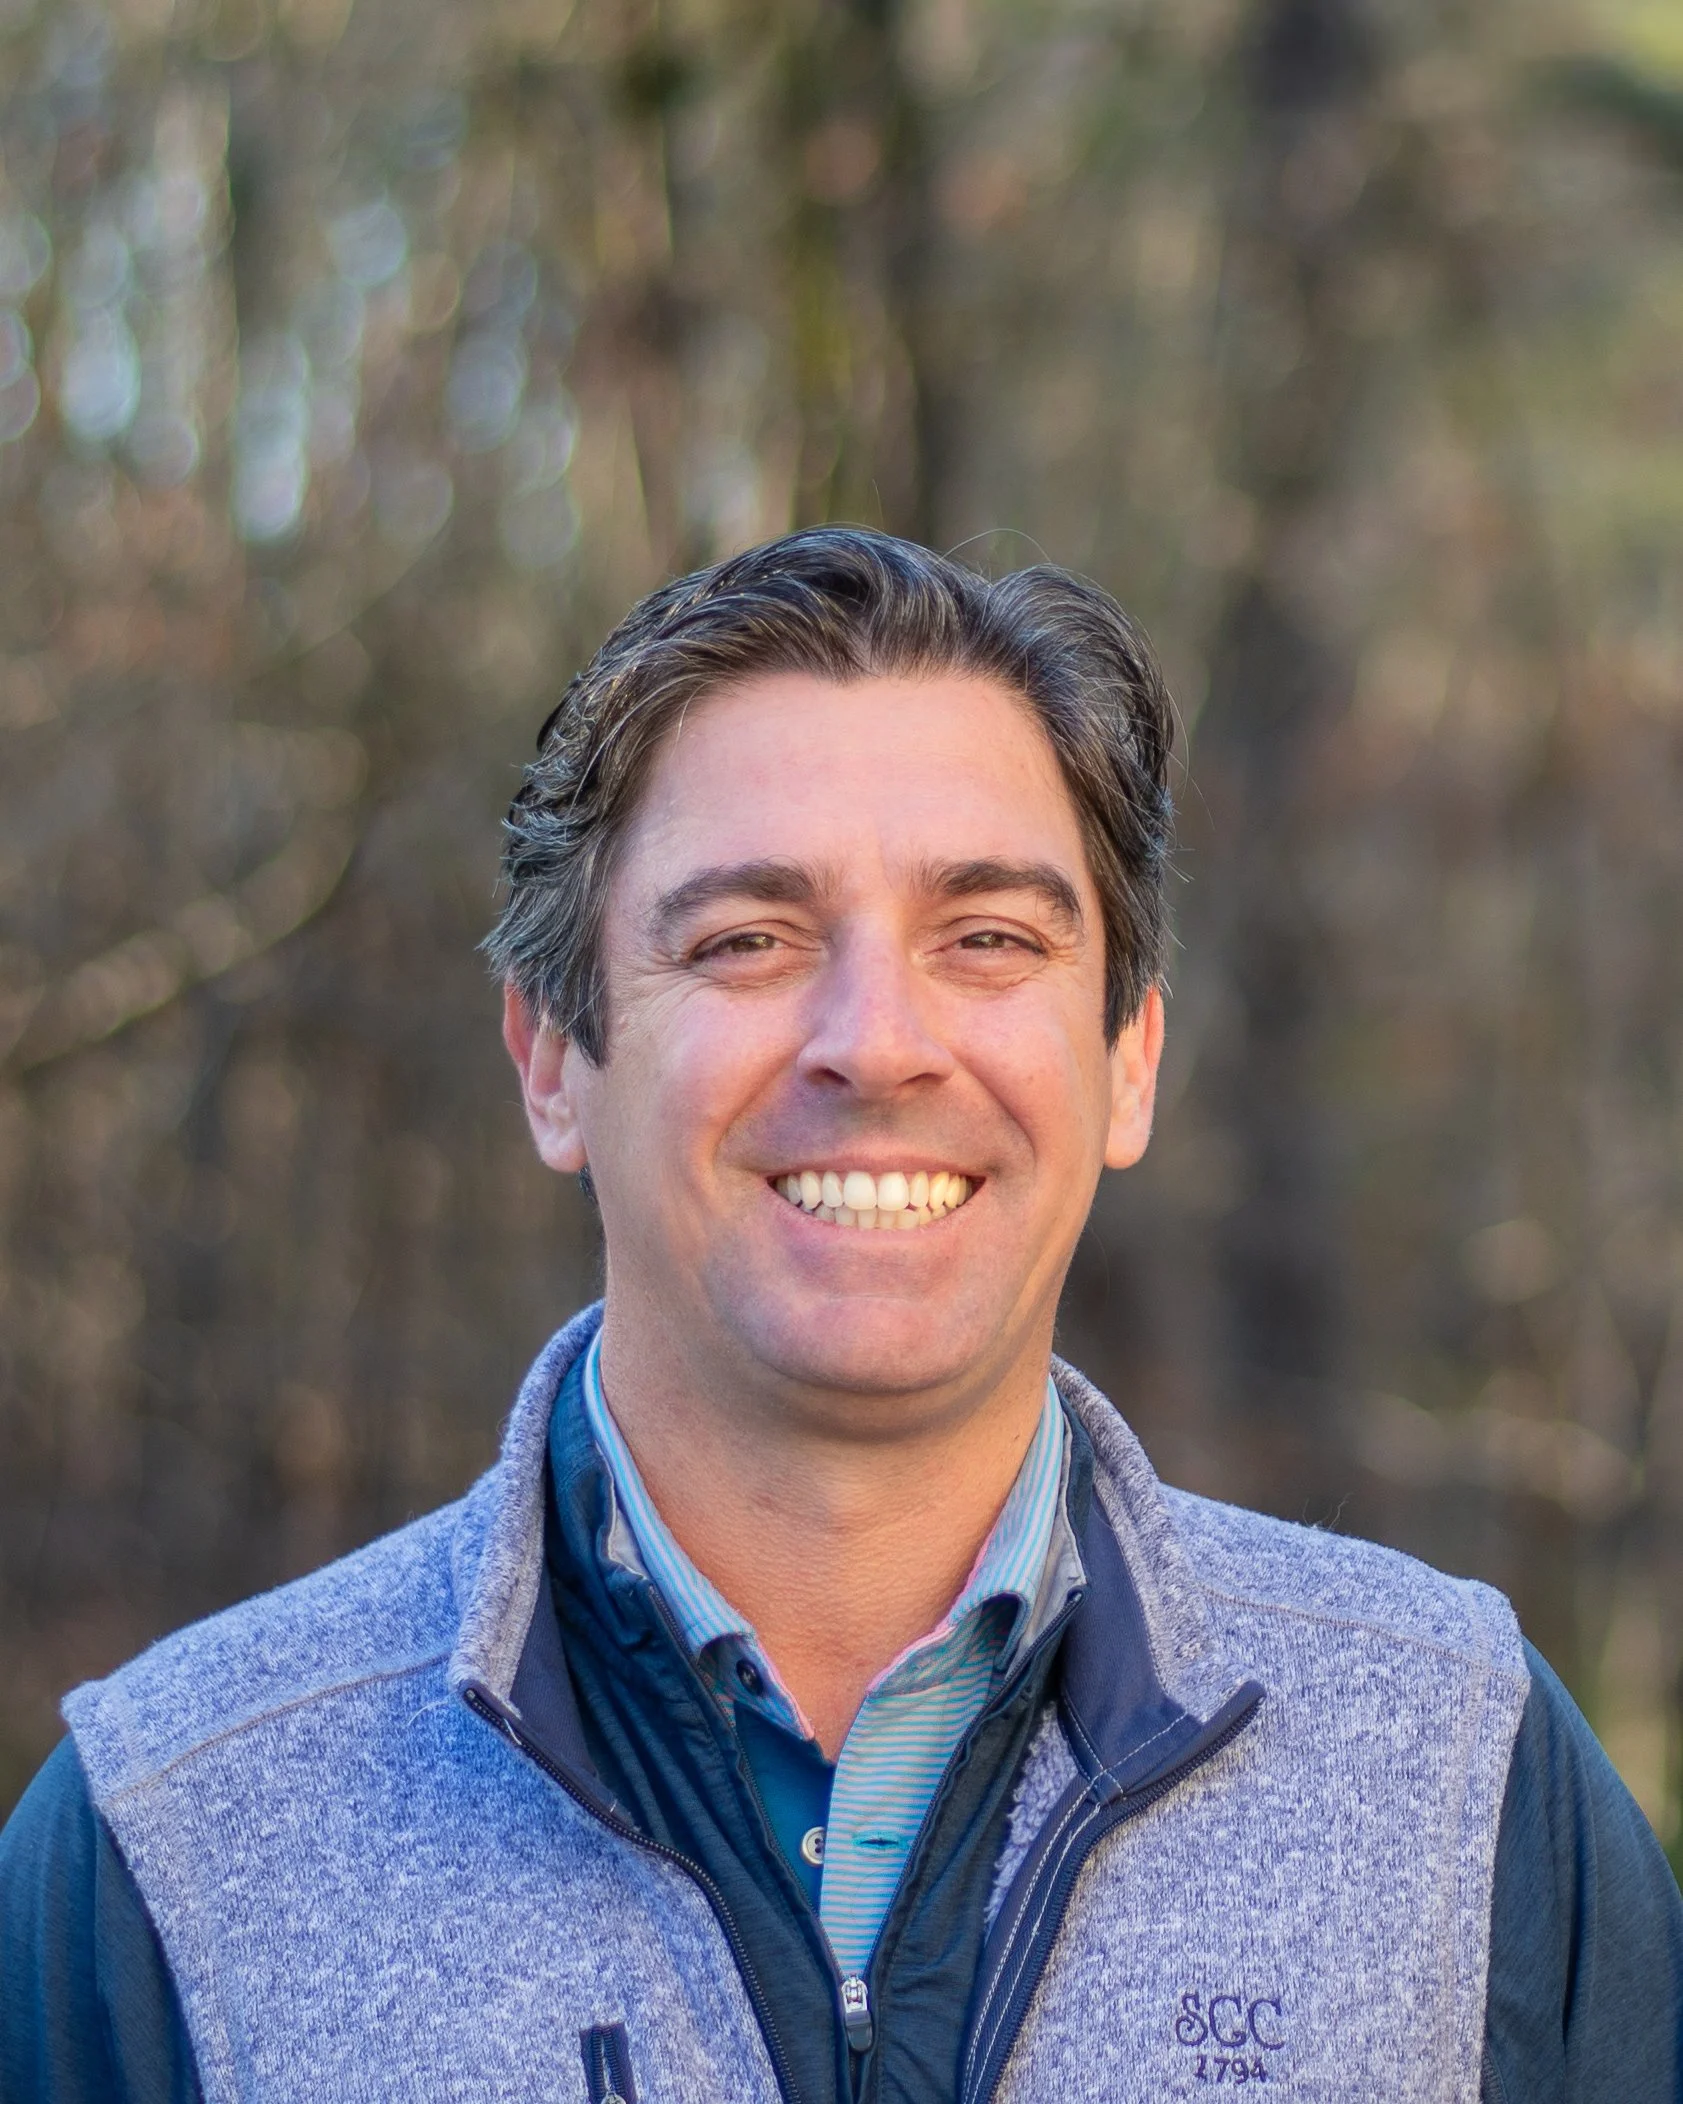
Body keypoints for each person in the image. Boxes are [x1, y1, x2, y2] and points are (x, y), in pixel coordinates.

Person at [2, 527, 1679, 2104]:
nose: (876, 1042)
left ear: (1128, 1059)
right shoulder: (165, 1853)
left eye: (987, 937)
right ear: (551, 1059)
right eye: (747, 939)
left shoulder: (1464, 1783)